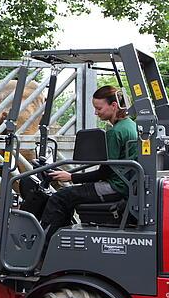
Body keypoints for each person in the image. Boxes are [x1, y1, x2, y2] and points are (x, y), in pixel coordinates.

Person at [40, 86, 138, 234]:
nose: (95, 112)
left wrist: (71, 177)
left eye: (99, 108)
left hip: (116, 186)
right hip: (126, 184)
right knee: (70, 196)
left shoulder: (115, 132)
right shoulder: (131, 125)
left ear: (114, 106)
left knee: (60, 197)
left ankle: (45, 248)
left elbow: (104, 173)